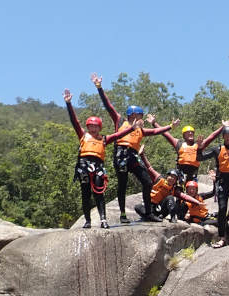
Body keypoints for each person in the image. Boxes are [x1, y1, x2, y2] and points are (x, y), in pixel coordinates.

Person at [91, 73, 179, 223]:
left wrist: (170, 126)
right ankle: (123, 214)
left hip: (133, 155)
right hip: (121, 154)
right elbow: (108, 105)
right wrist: (99, 87)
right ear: (133, 114)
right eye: (140, 114)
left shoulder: (141, 130)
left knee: (147, 182)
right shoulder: (120, 121)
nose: (142, 117)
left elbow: (156, 131)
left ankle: (149, 213)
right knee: (122, 184)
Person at [63, 88, 138, 229]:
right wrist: (68, 104)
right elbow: (75, 121)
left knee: (99, 193)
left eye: (95, 126)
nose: (93, 129)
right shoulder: (83, 135)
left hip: (97, 166)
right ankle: (87, 221)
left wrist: (130, 129)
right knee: (85, 194)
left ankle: (103, 220)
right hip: (84, 165)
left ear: (99, 127)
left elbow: (117, 136)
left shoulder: (104, 139)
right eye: (91, 126)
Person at [132, 154, 200, 222]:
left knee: (170, 197)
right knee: (137, 207)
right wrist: (142, 155)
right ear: (167, 176)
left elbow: (185, 197)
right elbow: (149, 168)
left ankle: (172, 218)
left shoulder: (174, 190)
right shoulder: (159, 179)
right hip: (149, 206)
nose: (172, 179)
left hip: (160, 209)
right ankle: (151, 217)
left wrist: (197, 202)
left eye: (174, 178)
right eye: (170, 176)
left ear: (176, 181)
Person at [155, 121, 224, 182]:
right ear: (184, 135)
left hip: (192, 173)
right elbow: (165, 134)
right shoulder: (178, 143)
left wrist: (222, 127)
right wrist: (154, 123)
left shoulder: (199, 144)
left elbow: (212, 136)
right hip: (180, 173)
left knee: (191, 190)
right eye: (188, 132)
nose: (191, 133)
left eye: (192, 132)